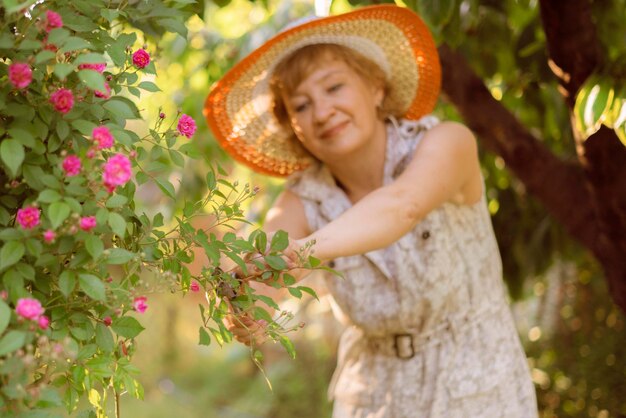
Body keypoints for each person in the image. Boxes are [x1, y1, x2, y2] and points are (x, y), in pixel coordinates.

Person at [204, 5, 538, 417]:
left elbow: (402, 206)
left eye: (334, 87)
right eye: (302, 105)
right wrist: (247, 304)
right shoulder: (302, 199)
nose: (322, 112)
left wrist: (306, 253)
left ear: (375, 87)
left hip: (479, 384)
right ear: (293, 126)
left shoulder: (447, 144)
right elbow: (269, 266)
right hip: (374, 397)